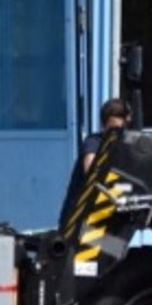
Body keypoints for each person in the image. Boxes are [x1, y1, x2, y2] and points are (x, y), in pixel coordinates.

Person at [59, 97, 130, 226]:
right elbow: (90, 170)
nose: (116, 134)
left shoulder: (124, 146)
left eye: (120, 129)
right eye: (113, 129)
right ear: (104, 126)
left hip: (105, 215)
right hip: (78, 217)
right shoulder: (94, 142)